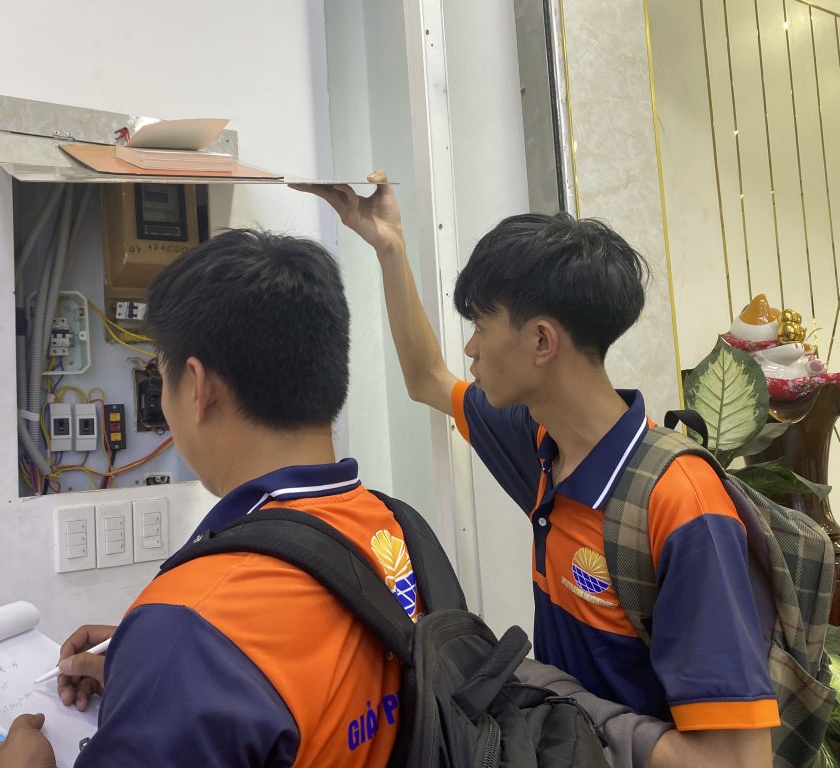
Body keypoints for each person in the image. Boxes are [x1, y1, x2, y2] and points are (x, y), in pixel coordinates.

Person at [293, 171, 780, 767]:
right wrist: (389, 246)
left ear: (542, 341)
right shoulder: (539, 442)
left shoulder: (681, 505)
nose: (470, 349)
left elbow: (737, 760)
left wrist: (563, 699)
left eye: (480, 326)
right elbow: (426, 379)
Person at [0, 229, 420, 768]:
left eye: (161, 376)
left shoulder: (193, 624)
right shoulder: (399, 530)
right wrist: (155, 674)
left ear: (198, 388)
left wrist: (170, 663)